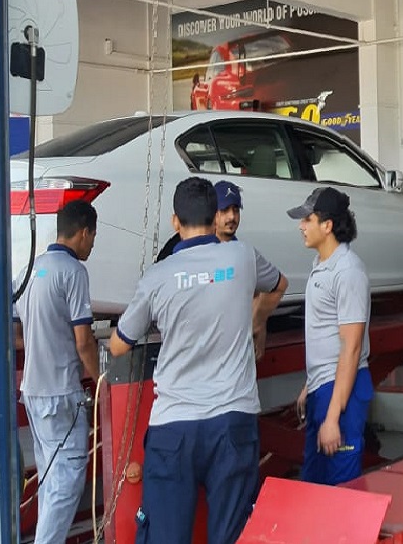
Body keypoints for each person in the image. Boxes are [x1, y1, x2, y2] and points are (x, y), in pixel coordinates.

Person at [109, 177, 285, 544]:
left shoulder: (157, 277)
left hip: (174, 427)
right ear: (215, 216)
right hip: (233, 422)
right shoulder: (243, 257)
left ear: (175, 221)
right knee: (233, 535)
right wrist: (256, 321)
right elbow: (278, 284)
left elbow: (119, 346)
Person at [13, 200, 100, 544]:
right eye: (93, 237)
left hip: (33, 393)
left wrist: (44, 339)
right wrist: (102, 381)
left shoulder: (29, 269)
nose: (92, 245)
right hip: (61, 394)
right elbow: (84, 342)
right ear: (83, 232)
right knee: (66, 484)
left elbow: (16, 334)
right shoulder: (73, 272)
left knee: (51, 481)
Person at [287, 187, 373, 485]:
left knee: (340, 487)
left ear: (327, 225)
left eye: (307, 220)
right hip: (322, 387)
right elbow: (325, 333)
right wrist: (309, 385)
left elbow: (352, 347)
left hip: (341, 390)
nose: (301, 226)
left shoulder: (347, 271)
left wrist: (333, 417)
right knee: (315, 483)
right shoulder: (321, 266)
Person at [156, 179, 287, 359]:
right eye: (224, 210)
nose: (232, 216)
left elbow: (261, 291)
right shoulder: (183, 248)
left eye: (236, 209)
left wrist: (258, 324)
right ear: (211, 212)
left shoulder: (242, 253)